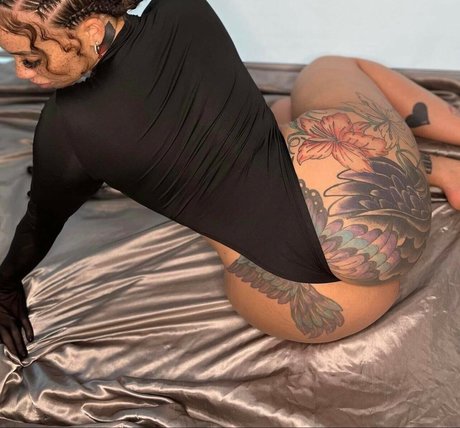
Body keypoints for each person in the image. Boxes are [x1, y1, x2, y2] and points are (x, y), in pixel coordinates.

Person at [0, 0, 457, 362]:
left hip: (320, 304)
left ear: (89, 30)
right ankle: (435, 162)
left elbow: (38, 224)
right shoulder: (184, 8)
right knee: (322, 75)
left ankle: (433, 167)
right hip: (389, 209)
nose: (21, 71)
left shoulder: (65, 130)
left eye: (29, 56)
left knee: (284, 115)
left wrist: (4, 288)